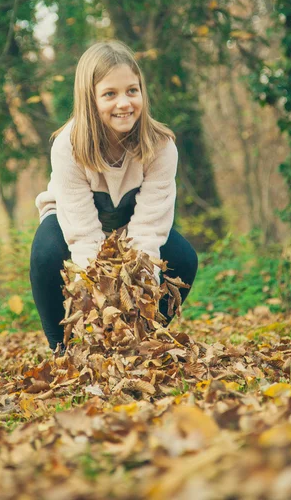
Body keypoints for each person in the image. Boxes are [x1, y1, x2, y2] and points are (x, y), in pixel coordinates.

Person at [30, 40, 198, 352]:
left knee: (184, 258)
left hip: (132, 223)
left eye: (132, 91)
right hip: (72, 222)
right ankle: (61, 348)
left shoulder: (161, 146)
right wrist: (96, 302)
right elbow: (82, 235)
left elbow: (149, 228)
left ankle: (143, 339)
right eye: (110, 94)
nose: (124, 103)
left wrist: (137, 300)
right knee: (45, 253)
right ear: (90, 99)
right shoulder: (67, 146)